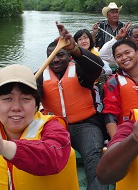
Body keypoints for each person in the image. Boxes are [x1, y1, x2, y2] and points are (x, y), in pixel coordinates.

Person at [0, 64, 79, 190]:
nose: (16, 107)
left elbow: (54, 157)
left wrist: (3, 147)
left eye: (25, 99)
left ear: (36, 105)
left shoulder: (52, 127)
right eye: (7, 99)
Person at [36, 22, 108, 190]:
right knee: (42, 159)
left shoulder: (82, 72)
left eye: (60, 55)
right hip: (53, 126)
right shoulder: (39, 76)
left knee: (94, 156)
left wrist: (75, 48)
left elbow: (98, 67)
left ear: (69, 56)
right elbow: (31, 99)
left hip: (85, 125)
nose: (55, 59)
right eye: (52, 55)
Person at [73, 28, 112, 112]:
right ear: (76, 43)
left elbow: (108, 70)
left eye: (85, 38)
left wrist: (99, 71)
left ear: (90, 39)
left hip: (94, 85)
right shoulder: (72, 58)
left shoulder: (96, 54)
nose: (83, 41)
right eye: (80, 39)